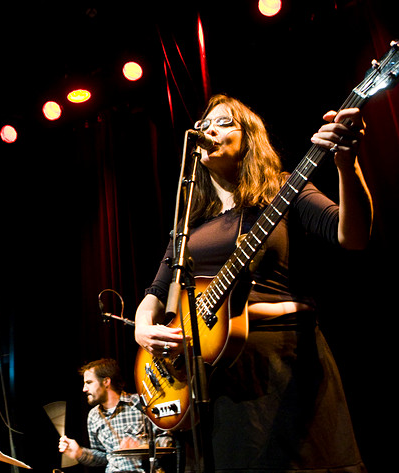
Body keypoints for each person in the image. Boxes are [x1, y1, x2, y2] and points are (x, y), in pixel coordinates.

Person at [133, 94, 372, 472]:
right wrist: (143, 329)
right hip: (210, 381)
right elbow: (156, 294)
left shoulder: (283, 189)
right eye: (206, 123)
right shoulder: (190, 223)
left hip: (278, 365)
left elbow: (353, 236)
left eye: (224, 122)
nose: (209, 129)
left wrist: (347, 164)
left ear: (250, 138)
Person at [59, 358, 171, 473]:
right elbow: (104, 457)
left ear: (106, 382)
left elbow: (167, 439)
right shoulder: (93, 416)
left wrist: (143, 446)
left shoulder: (140, 403)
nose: (84, 389)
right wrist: (79, 452)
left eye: (89, 382)